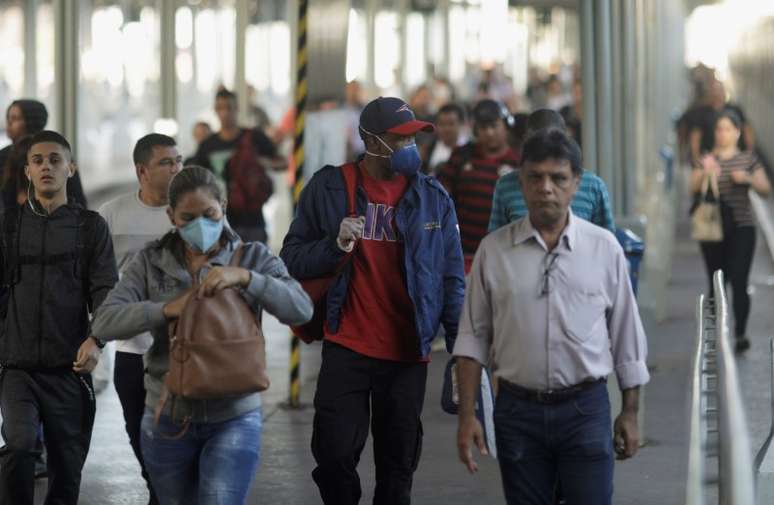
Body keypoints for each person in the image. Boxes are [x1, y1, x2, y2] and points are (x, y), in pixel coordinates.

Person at [280, 96, 465, 505]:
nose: (409, 147)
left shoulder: (434, 198)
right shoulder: (329, 188)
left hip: (406, 353)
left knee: (398, 468)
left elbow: (452, 278)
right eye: (398, 139)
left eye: (413, 138)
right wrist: (335, 245)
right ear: (371, 141)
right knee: (333, 455)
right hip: (348, 344)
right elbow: (290, 258)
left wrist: (461, 350)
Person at [91, 166, 312, 505]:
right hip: (167, 417)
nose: (201, 225)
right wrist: (165, 310)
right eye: (188, 217)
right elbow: (104, 322)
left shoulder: (253, 257)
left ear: (223, 206)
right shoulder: (150, 262)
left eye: (209, 214)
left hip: (234, 416)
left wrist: (248, 279)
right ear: (171, 216)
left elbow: (301, 309)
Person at [454, 128, 649, 505]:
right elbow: (471, 338)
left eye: (558, 178)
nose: (546, 188)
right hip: (516, 413)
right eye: (535, 177)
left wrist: (630, 411)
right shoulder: (494, 252)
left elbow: (626, 335)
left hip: (585, 410)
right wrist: (467, 416)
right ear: (521, 182)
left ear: (576, 183)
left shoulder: (603, 249)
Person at [0, 130, 118, 505]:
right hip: (17, 368)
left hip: (70, 370)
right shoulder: (8, 227)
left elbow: (105, 291)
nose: (46, 166)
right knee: (18, 448)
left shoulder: (90, 228)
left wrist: (96, 339)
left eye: (54, 159)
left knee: (67, 471)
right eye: (38, 161)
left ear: (71, 167)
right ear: (27, 172)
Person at [96, 133, 183, 505]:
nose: (177, 168)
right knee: (139, 434)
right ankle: (158, 491)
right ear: (142, 170)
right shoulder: (112, 215)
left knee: (178, 438)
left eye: (179, 161)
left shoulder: (191, 213)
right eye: (167, 162)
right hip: (131, 350)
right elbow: (99, 281)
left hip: (183, 350)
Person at [690, 109, 771, 352]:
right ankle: (715, 336)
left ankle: (740, 333)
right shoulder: (705, 159)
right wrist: (706, 173)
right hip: (712, 230)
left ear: (737, 132)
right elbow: (691, 188)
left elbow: (766, 189)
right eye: (719, 129)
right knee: (716, 281)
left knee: (739, 279)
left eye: (727, 129)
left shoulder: (748, 159)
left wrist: (747, 179)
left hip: (742, 228)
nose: (722, 134)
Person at [489, 109, 615, 233]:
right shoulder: (505, 186)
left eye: (559, 179)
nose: (546, 188)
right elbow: (496, 242)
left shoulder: (593, 186)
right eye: (538, 142)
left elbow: (605, 243)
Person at [192, 88, 285, 243]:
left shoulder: (254, 138)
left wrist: (262, 163)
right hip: (219, 221)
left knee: (255, 265)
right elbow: (197, 181)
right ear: (215, 110)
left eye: (229, 107)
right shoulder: (208, 146)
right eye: (220, 108)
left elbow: (283, 163)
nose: (225, 113)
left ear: (237, 109)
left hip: (253, 219)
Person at [437, 99, 520, 268]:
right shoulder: (461, 155)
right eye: (483, 127)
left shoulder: (517, 162)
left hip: (504, 252)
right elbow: (440, 193)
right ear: (475, 130)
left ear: (506, 126)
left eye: (494, 126)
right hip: (463, 251)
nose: (489, 132)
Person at [1, 99, 87, 209]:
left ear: (31, 121)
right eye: (8, 118)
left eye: (15, 118)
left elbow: (77, 198)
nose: (9, 123)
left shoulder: (59, 152)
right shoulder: (4, 156)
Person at [421, 102, 468, 176]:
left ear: (462, 124)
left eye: (451, 124)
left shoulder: (470, 150)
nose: (446, 129)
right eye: (442, 124)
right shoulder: (429, 148)